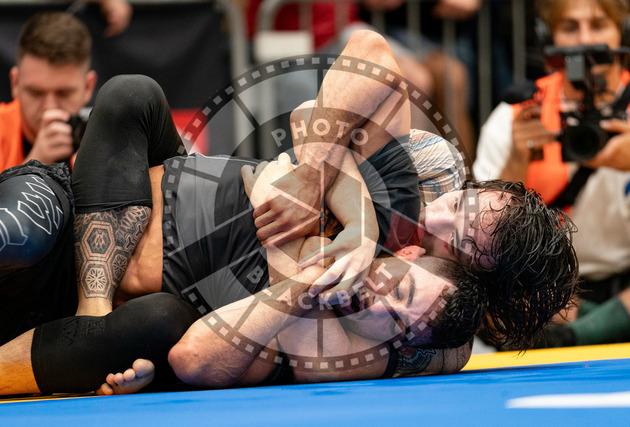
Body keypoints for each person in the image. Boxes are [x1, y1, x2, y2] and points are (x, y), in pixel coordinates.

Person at [0, 30, 577, 396]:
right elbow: (340, 82)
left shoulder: (425, 320)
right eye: (464, 202)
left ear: (475, 283)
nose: (441, 215)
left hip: (158, 300)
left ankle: (92, 325)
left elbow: (211, 354)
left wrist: (314, 257)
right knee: (36, 215)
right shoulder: (423, 180)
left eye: (463, 241)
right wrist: (329, 186)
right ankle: (93, 309)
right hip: (119, 207)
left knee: (152, 325)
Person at [474, 0, 630, 347]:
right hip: (547, 286)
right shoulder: (519, 113)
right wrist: (517, 160)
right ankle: (599, 327)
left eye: (598, 25)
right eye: (569, 27)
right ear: (548, 37)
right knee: (487, 291)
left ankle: (573, 336)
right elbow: (481, 237)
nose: (585, 40)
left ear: (624, 33)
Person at [0, 12, 97, 171]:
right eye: (35, 93)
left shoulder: (104, 141)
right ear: (15, 83)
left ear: (88, 87)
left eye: (63, 93)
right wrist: (35, 163)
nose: (50, 108)